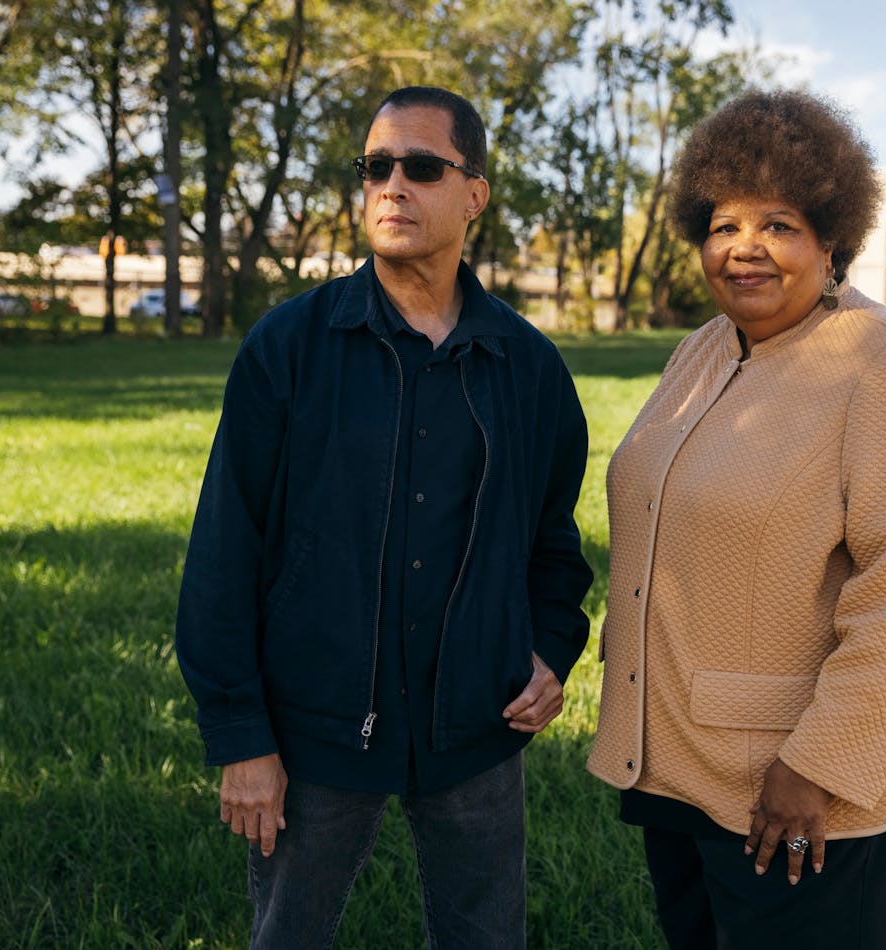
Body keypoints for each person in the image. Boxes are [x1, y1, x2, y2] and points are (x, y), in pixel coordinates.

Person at [176, 85, 593, 949]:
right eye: (375, 167)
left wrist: (552, 646)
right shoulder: (288, 347)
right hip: (314, 727)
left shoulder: (530, 366)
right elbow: (225, 548)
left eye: (422, 167)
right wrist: (242, 735)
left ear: (474, 193)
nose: (392, 185)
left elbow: (554, 543)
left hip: (478, 725)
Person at [586, 89, 886, 949]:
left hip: (796, 789)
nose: (745, 249)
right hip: (681, 763)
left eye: (778, 224)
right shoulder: (703, 348)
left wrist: (820, 766)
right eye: (724, 225)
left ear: (832, 238)